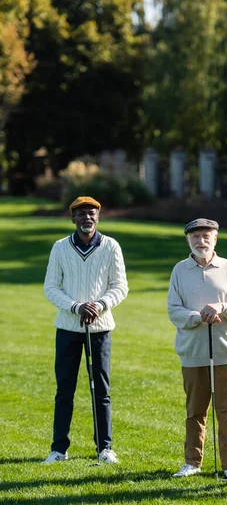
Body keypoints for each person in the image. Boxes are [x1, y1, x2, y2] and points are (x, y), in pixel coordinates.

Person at [42, 196, 129, 464]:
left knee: (100, 389)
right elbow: (51, 287)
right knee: (64, 389)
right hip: (68, 327)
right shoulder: (60, 248)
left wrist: (100, 305)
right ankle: (58, 449)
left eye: (91, 213)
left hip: (100, 329)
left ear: (98, 217)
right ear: (73, 218)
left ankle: (105, 448)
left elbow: (120, 286)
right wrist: (76, 306)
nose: (86, 218)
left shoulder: (111, 246)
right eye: (81, 214)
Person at [168, 218, 227, 481]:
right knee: (195, 411)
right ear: (188, 241)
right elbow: (174, 310)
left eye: (206, 236)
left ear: (215, 239)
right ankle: (192, 461)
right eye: (195, 237)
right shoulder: (180, 270)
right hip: (193, 352)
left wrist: (222, 307)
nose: (201, 241)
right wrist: (198, 316)